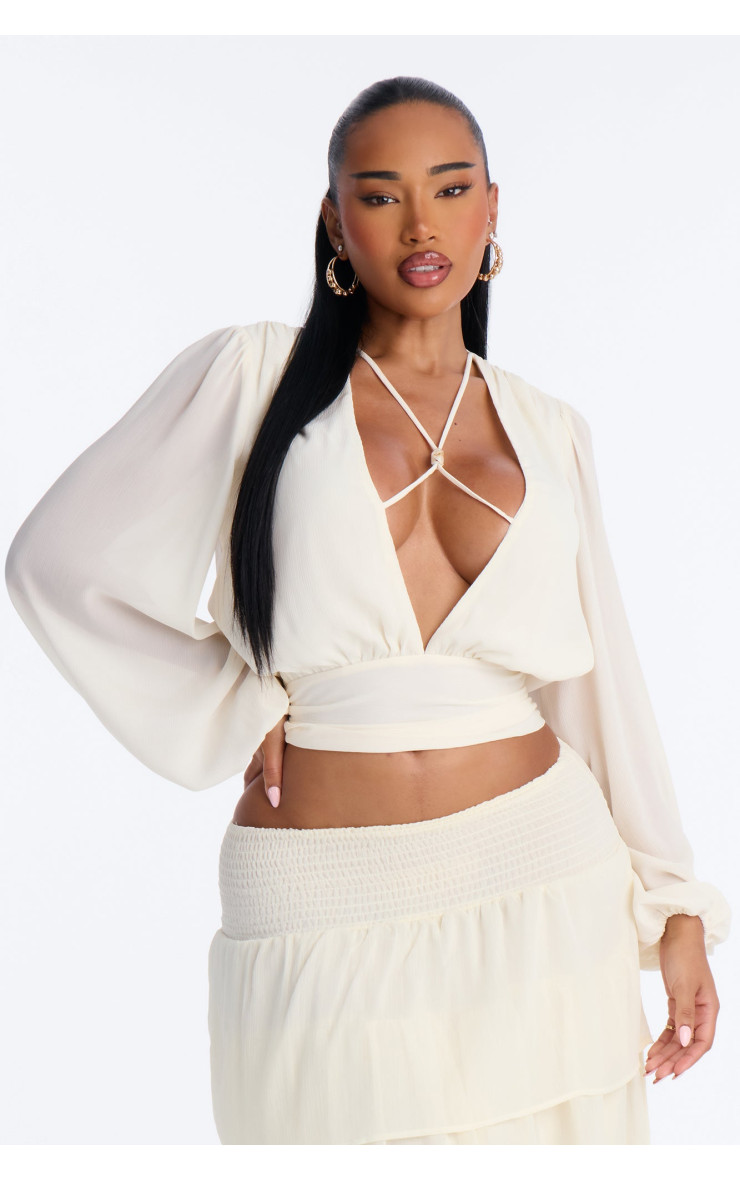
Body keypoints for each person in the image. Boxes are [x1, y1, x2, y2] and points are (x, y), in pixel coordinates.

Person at [5, 76, 731, 1146]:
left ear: (492, 210)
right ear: (334, 221)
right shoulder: (256, 376)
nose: (421, 224)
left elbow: (598, 684)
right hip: (320, 895)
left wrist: (673, 907)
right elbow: (59, 564)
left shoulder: (550, 429)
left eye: (450, 189)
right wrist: (234, 697)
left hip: (543, 877)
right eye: (381, 195)